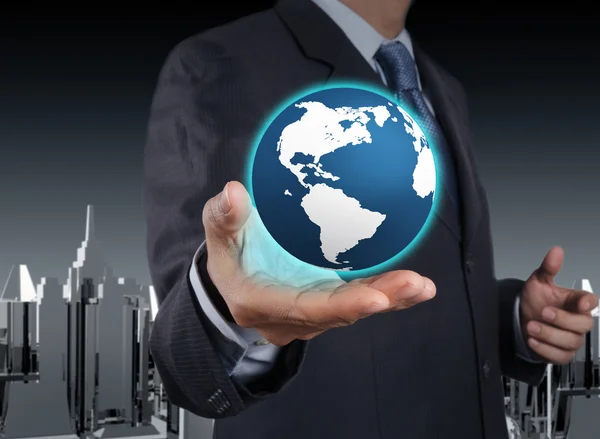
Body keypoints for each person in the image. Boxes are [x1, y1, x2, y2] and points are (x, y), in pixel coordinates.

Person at [143, 0, 598, 438]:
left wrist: (516, 318)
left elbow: (432, 277)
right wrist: (233, 313)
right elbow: (188, 354)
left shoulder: (441, 86)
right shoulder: (220, 62)